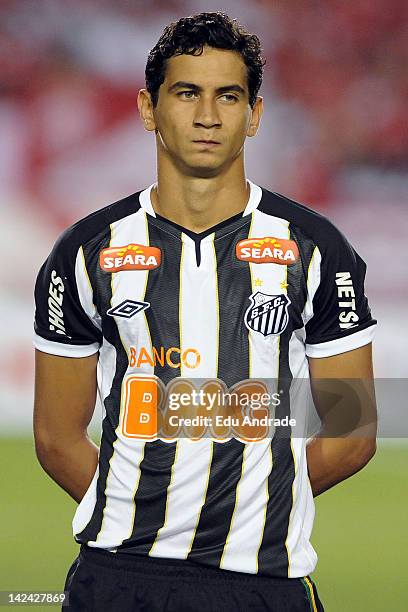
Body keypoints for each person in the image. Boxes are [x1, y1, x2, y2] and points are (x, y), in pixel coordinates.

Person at [33, 12, 377, 612]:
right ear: (148, 109)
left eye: (229, 96)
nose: (208, 116)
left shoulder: (318, 248)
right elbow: (57, 435)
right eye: (187, 93)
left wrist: (259, 498)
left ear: (256, 114)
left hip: (261, 585)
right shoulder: (86, 250)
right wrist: (145, 511)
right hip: (116, 580)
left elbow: (353, 432)